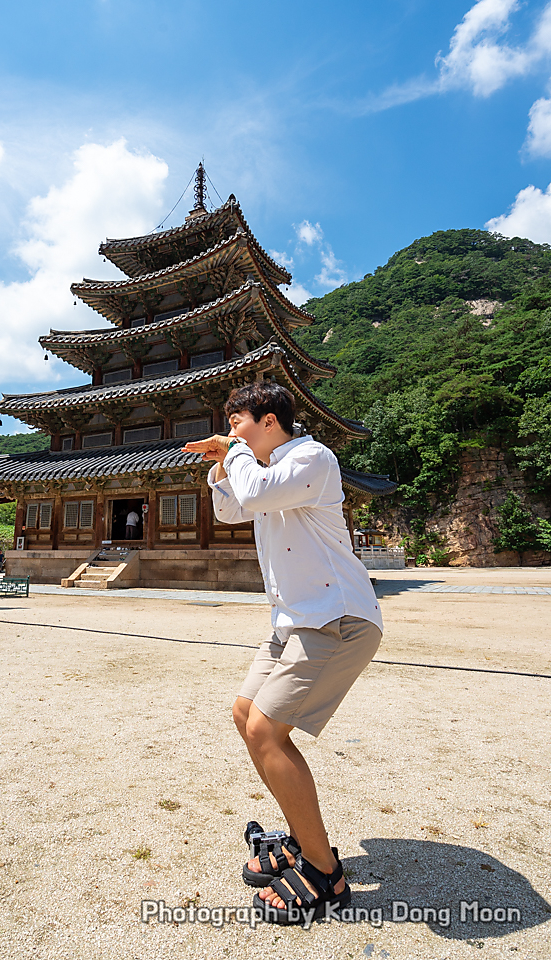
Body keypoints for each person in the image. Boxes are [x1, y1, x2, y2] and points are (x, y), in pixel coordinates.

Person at [183, 382, 382, 925]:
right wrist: (222, 465)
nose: (231, 430)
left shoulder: (311, 457)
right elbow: (230, 511)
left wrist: (236, 453)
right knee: (246, 715)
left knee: (269, 731)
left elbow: (255, 495)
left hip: (335, 617)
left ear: (270, 421)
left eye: (238, 420)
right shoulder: (262, 472)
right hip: (293, 619)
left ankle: (325, 874)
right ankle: (302, 836)